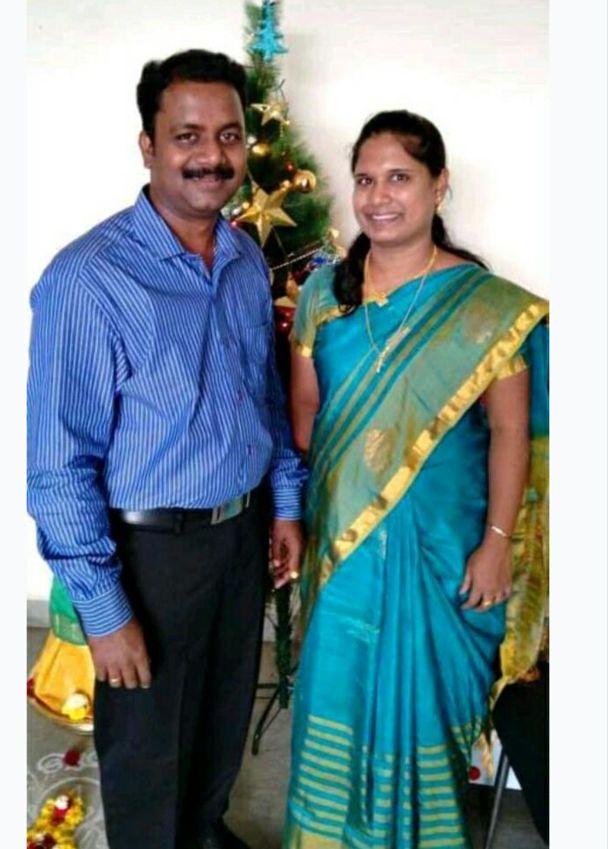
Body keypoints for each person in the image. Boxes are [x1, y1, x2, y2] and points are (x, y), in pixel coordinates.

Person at [27, 48, 305, 849]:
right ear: (148, 145)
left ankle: (206, 833)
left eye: (228, 135)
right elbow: (58, 464)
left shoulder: (245, 259)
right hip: (149, 556)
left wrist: (285, 503)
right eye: (188, 136)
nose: (211, 156)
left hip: (239, 537)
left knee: (220, 723)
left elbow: (264, 395)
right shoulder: (90, 279)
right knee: (148, 755)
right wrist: (105, 610)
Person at [283, 110, 548, 849]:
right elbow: (304, 414)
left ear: (440, 185)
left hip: (445, 549)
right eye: (365, 179)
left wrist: (497, 542)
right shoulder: (323, 296)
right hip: (344, 545)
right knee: (335, 695)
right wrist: (356, 475)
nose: (378, 196)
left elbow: (509, 432)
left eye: (399, 177)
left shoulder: (486, 306)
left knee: (426, 705)